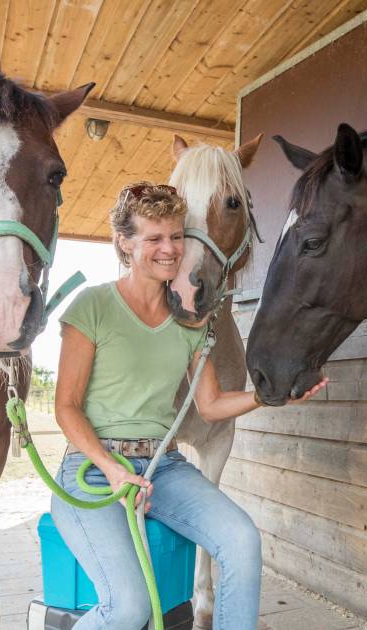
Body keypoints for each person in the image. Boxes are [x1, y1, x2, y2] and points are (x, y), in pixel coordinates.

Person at [51, 182, 326, 629]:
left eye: (176, 236)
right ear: (124, 242)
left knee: (241, 540)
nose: (169, 249)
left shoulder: (189, 320)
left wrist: (269, 395)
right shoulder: (93, 306)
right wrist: (114, 467)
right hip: (93, 470)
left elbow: (211, 405)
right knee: (130, 608)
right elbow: (66, 408)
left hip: (163, 465)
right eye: (154, 238)